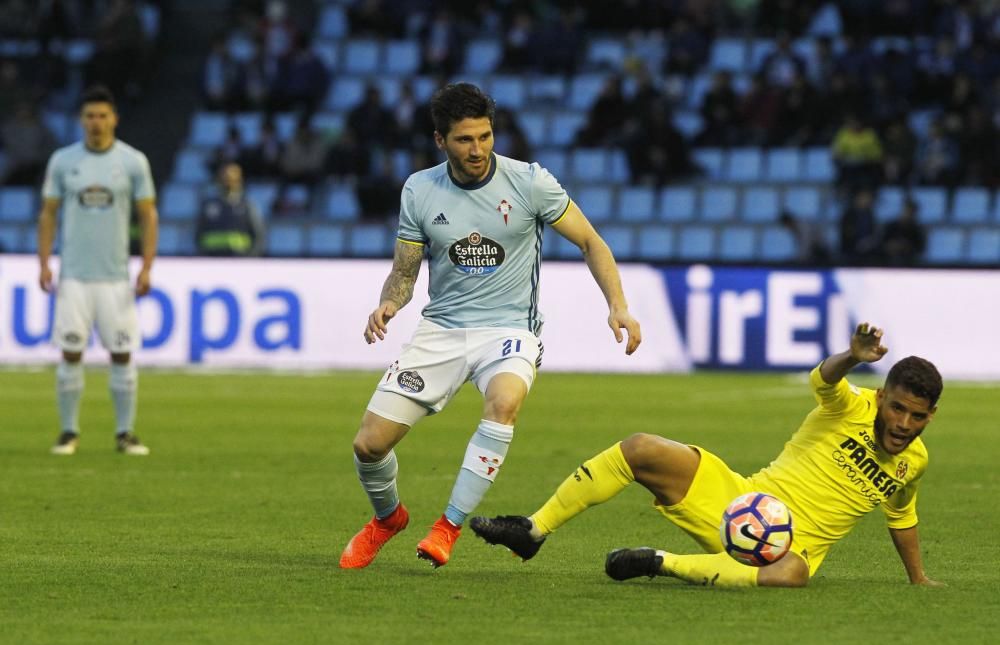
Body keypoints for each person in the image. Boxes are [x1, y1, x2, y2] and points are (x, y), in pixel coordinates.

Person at [340, 83, 642, 570]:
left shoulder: (530, 183)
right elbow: (404, 271)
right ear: (441, 141)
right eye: (464, 140)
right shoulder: (419, 189)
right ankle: (387, 518)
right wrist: (388, 305)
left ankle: (448, 527)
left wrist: (618, 306)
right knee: (368, 445)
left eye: (485, 136)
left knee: (503, 404)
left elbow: (590, 241)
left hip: (509, 330)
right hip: (441, 329)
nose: (478, 149)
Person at [471, 323, 944, 589]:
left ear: (930, 416)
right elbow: (823, 380)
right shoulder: (852, 405)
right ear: (882, 398)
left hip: (788, 549)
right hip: (741, 501)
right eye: (898, 408)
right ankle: (532, 530)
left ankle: (658, 562)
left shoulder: (913, 463)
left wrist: (918, 579)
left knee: (792, 575)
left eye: (917, 416)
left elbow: (902, 517)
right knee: (640, 448)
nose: (903, 424)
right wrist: (851, 355)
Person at [37, 84, 158, 457]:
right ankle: (69, 431)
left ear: (114, 119)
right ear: (81, 120)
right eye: (90, 116)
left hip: (115, 277)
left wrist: (147, 266)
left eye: (103, 115)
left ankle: (125, 433)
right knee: (70, 353)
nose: (96, 122)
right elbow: (49, 213)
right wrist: (44, 261)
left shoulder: (133, 162)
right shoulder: (63, 161)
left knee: (121, 354)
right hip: (73, 274)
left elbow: (148, 215)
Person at [195, 161, 265, 256]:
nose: (228, 182)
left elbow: (258, 236)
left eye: (232, 179)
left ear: (239, 181)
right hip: (212, 261)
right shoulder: (208, 206)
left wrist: (249, 260)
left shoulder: (247, 206)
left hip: (239, 260)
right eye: (225, 178)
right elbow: (198, 236)